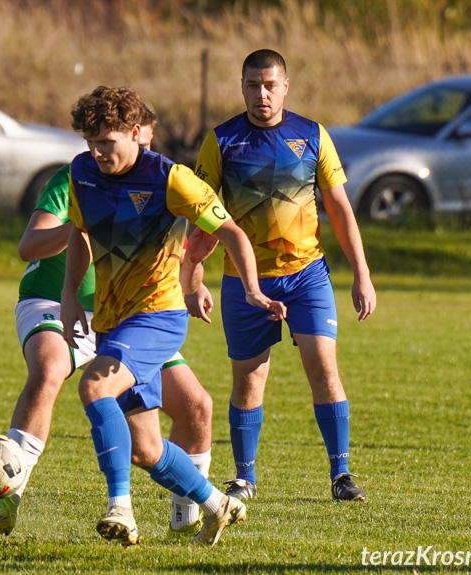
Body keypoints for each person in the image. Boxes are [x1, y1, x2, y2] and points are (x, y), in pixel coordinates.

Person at [0, 107, 215, 538]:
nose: (133, 149)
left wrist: (193, 285)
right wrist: (85, 225)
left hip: (128, 316)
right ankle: (9, 498)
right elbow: (29, 246)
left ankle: (190, 517)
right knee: (49, 369)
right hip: (55, 300)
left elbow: (184, 250)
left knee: (195, 406)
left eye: (145, 140)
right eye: (101, 142)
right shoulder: (77, 179)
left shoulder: (160, 181)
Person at [60, 85, 287, 547]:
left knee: (94, 386)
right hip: (112, 322)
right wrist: (68, 295)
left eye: (108, 141)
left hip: (158, 317)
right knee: (145, 449)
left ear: (136, 134)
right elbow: (80, 235)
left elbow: (231, 232)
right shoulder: (81, 172)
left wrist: (252, 290)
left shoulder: (171, 178)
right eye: (91, 142)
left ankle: (120, 507)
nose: (99, 152)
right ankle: (218, 505)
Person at [191, 49, 377, 503]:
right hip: (244, 281)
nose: (262, 95)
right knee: (250, 378)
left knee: (323, 369)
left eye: (270, 85)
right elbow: (200, 220)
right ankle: (244, 478)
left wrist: (362, 275)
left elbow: (339, 210)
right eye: (253, 86)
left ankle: (342, 476)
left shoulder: (312, 135)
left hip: (306, 276)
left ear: (286, 86)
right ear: (242, 88)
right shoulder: (221, 142)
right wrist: (193, 279)